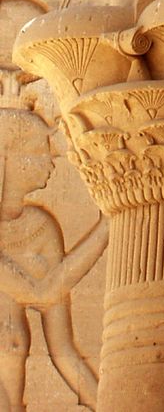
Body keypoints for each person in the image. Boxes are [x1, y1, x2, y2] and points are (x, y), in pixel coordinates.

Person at [0, 110, 108, 411]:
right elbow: (42, 293)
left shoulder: (41, 228)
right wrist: (106, 228)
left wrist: (107, 403)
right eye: (38, 150)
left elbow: (64, 352)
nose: (50, 161)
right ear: (8, 155)